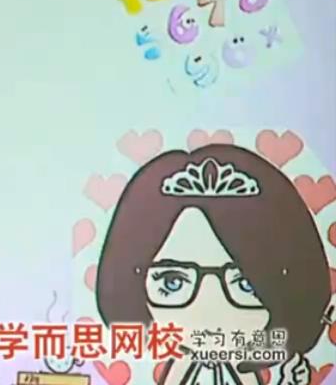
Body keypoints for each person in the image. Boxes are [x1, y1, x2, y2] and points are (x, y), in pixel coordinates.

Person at [95, 145, 329, 385]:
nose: (211, 307)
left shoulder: (243, 360)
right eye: (172, 282)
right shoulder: (182, 359)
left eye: (247, 283)